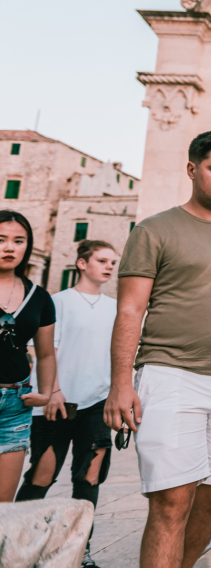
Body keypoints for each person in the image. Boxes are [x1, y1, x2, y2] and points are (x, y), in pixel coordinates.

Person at [104, 131, 211, 568]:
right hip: (171, 376)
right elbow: (129, 309)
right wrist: (121, 383)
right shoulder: (153, 230)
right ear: (192, 169)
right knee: (172, 501)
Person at [17, 239, 119, 568]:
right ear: (82, 263)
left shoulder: (116, 307)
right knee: (42, 476)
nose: (109, 267)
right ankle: (17, 545)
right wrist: (54, 390)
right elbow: (49, 349)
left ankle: (80, 551)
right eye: (102, 260)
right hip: (57, 402)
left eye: (113, 263)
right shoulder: (57, 302)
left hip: (97, 405)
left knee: (88, 479)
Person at [0, 210, 57, 503]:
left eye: (18, 241)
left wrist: (46, 393)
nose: (9, 247)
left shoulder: (40, 297)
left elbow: (45, 354)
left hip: (14, 406)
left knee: (2, 507)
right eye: (1, 239)